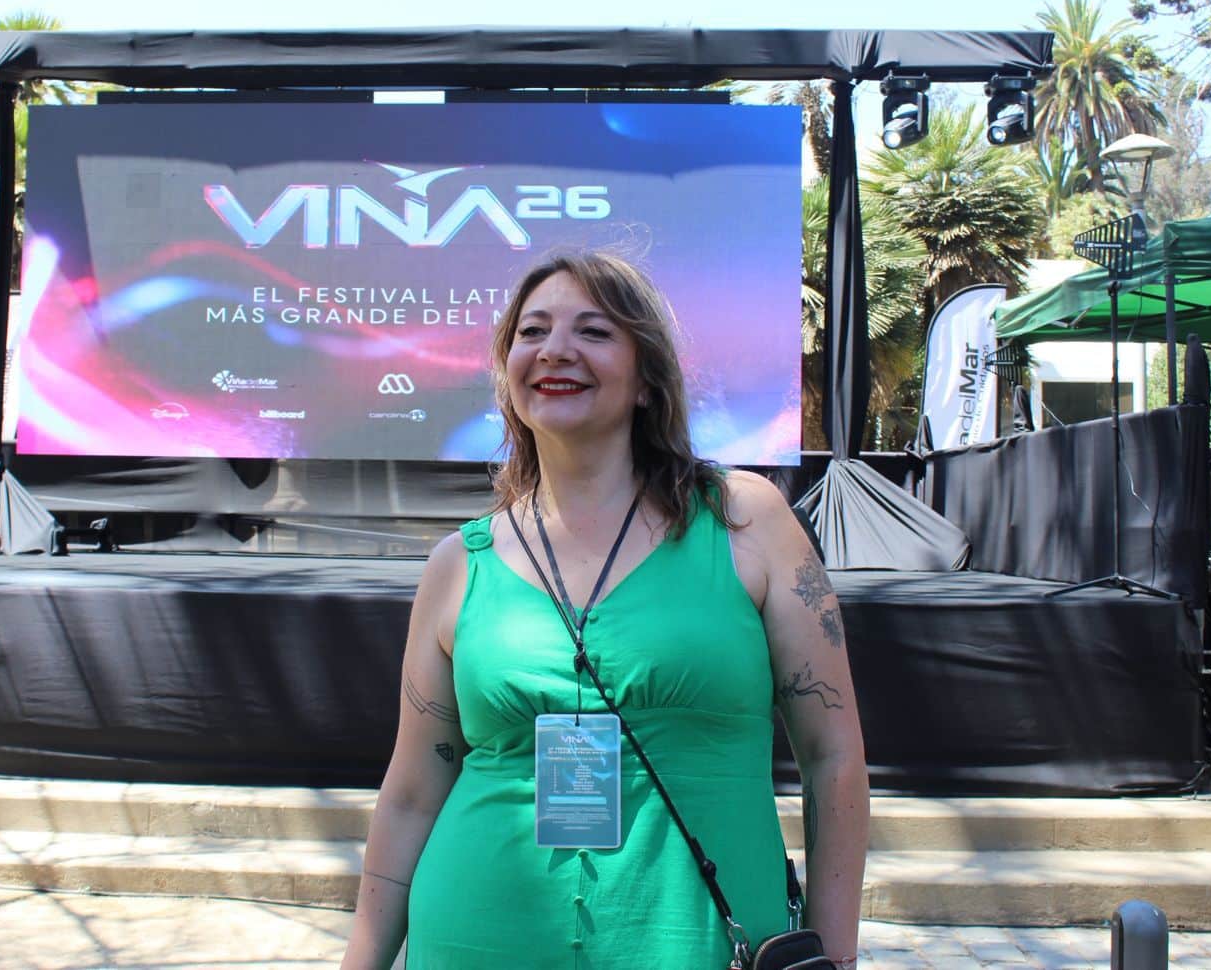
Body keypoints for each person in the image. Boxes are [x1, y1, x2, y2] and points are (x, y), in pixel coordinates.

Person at [342, 252, 869, 970]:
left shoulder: (746, 521)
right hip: (476, 936)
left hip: (700, 944)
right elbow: (411, 794)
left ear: (647, 379)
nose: (555, 350)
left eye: (593, 331)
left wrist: (835, 956)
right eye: (532, 331)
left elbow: (832, 758)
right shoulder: (458, 564)